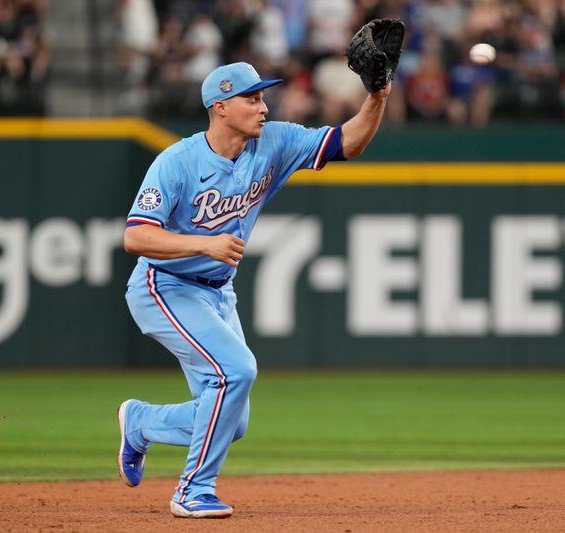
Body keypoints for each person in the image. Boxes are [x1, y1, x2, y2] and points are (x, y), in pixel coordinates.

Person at [118, 60, 392, 519]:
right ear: (220, 107)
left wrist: (378, 95)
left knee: (233, 418)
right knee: (238, 371)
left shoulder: (275, 142)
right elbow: (136, 237)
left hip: (218, 292)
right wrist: (204, 243)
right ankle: (192, 490)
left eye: (263, 97)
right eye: (252, 99)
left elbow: (349, 142)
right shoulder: (177, 162)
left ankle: (142, 422)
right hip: (163, 286)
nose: (263, 107)